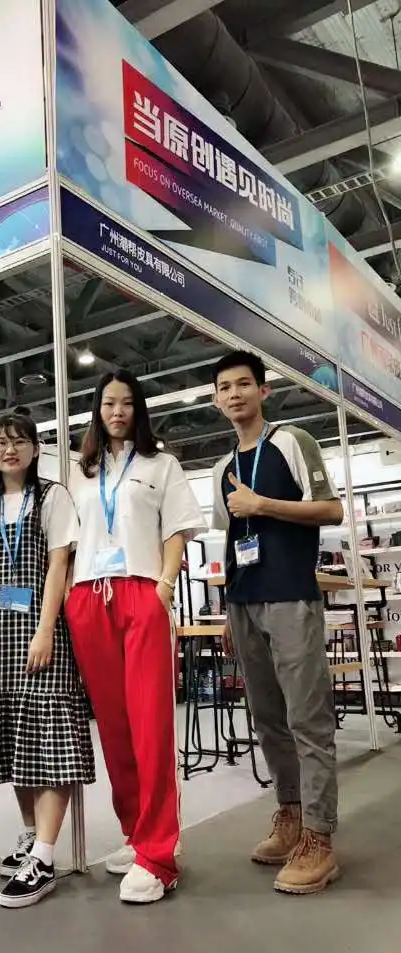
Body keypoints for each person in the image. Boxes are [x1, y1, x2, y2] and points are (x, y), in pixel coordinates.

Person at [65, 370, 205, 904]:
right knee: (115, 727)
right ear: (96, 409)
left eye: (126, 403)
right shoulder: (80, 472)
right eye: (108, 403)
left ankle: (159, 854)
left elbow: (177, 530)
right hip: (88, 597)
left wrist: (163, 587)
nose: (117, 412)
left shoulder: (160, 465)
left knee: (150, 723)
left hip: (143, 590)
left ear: (139, 409)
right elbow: (68, 542)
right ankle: (136, 832)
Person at [211, 350, 343, 895]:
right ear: (216, 400)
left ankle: (320, 837)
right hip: (245, 603)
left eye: (244, 384)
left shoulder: (292, 441)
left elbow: (331, 510)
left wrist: (263, 504)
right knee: (268, 719)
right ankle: (290, 814)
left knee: (308, 718)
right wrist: (227, 608)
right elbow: (229, 539)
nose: (235, 394)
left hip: (291, 597)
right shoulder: (222, 467)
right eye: (225, 387)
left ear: (262, 391)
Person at [0, 407, 95, 909]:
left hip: (39, 634)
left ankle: (44, 856)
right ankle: (29, 835)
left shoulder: (51, 496)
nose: (10, 449)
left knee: (50, 741)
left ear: (35, 448)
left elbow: (59, 563)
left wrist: (45, 630)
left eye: (19, 440)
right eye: (1, 441)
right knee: (14, 740)